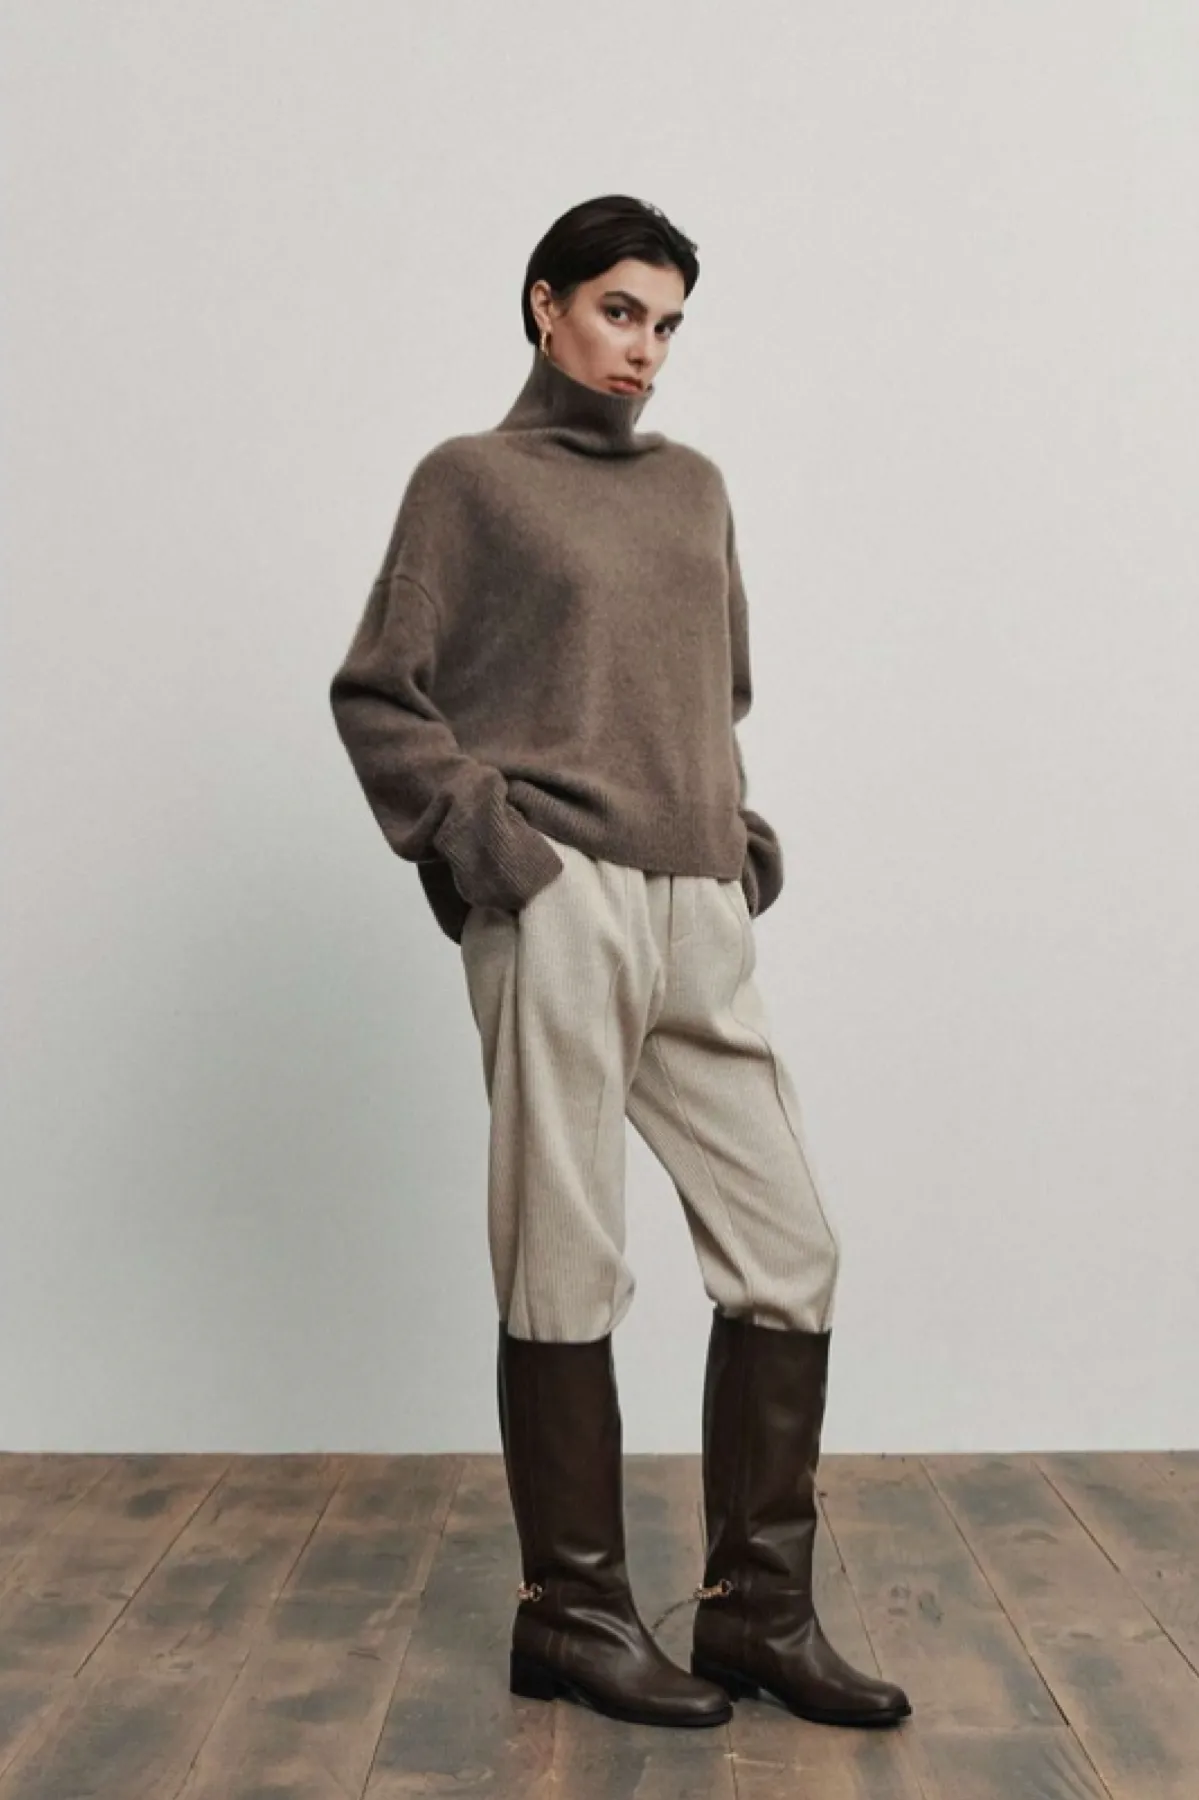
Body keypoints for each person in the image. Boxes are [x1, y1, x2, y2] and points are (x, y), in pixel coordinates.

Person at [329, 194, 912, 1732]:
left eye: (666, 324)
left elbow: (712, 700)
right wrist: (495, 852)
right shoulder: (470, 484)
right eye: (618, 311)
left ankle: (757, 1614)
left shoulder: (693, 491)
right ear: (546, 305)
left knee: (789, 1245)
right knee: (565, 1250)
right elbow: (381, 693)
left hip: (692, 909)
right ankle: (575, 1617)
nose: (644, 348)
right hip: (560, 896)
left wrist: (733, 843)